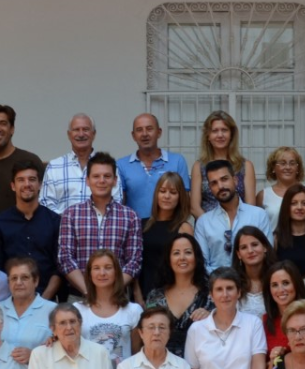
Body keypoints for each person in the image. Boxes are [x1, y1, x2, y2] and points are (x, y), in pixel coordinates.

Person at [75, 250, 143, 369]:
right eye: (96, 268)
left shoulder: (133, 310)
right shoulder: (77, 310)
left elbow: (137, 353)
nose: (102, 273)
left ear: (116, 273)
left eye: (107, 268)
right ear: (89, 274)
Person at [57, 153, 143, 298]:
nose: (101, 181)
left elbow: (134, 261)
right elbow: (65, 258)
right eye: (96, 176)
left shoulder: (130, 216)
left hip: (117, 296)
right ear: (87, 181)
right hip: (80, 295)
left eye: (107, 176)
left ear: (115, 180)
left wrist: (112, 291)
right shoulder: (71, 214)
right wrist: (87, 291)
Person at [0, 160, 63, 300]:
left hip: (48, 299)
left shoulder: (55, 221)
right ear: (13, 186)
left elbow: (59, 267)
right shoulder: (0, 223)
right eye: (21, 180)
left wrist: (44, 300)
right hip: (9, 300)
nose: (27, 184)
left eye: (32, 179)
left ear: (40, 184)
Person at [194, 160, 273, 272]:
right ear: (210, 188)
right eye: (214, 183)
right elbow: (201, 264)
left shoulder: (258, 215)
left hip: (252, 285)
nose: (220, 186)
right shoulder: (203, 222)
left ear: (235, 180)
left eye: (224, 179)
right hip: (217, 286)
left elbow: (268, 255)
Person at [39, 113, 124, 214]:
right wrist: (68, 221)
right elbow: (45, 202)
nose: (81, 134)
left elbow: (117, 200)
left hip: (101, 228)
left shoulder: (108, 165)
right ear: (69, 134)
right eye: (76, 130)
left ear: (94, 134)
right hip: (62, 227)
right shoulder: (54, 167)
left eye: (86, 129)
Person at [145, 233, 213, 358]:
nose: (182, 257)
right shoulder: (155, 296)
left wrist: (212, 318)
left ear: (196, 257)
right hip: (162, 368)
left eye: (188, 252)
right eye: (176, 253)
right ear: (169, 259)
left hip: (202, 368)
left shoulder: (211, 294)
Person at [118, 113, 192, 220]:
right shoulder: (121, 165)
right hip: (135, 230)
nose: (144, 134)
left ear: (159, 132)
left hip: (169, 229)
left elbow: (184, 201)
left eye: (149, 129)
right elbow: (120, 203)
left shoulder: (177, 161)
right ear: (133, 136)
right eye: (139, 130)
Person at [138, 171, 194, 301]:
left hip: (172, 295)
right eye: (162, 191)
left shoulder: (184, 228)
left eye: (173, 192)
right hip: (144, 293)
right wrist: (138, 296)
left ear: (180, 197)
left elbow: (188, 267)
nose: (167, 196)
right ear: (156, 194)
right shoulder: (141, 224)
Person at [190, 111, 257, 218]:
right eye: (215, 131)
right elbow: (194, 207)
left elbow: (250, 205)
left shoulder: (245, 166)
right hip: (208, 229)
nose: (220, 135)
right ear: (208, 136)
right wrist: (211, 226)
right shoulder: (199, 166)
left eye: (224, 130)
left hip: (240, 229)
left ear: (231, 134)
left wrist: (237, 228)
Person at [256, 146, 305, 236]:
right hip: (273, 247)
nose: (288, 167)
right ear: (273, 168)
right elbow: (257, 228)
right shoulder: (263, 195)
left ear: (298, 168)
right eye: (282, 163)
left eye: (292, 163)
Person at [0, 258, 57, 361]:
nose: (18, 282)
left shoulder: (53, 311)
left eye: (24, 278)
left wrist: (34, 356)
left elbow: (62, 350)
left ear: (36, 281)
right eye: (14, 278)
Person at [263, 261, 305, 359]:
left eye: (285, 283)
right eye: (274, 285)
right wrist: (274, 360)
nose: (281, 290)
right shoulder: (264, 321)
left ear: (296, 284)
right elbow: (260, 366)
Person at [272, 183, 305, 277]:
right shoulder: (276, 239)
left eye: (304, 203)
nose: (299, 207)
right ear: (286, 207)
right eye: (293, 203)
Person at [231, 226, 277, 318]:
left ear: (265, 247)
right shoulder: (232, 283)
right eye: (244, 247)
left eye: (255, 245)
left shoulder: (277, 278)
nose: (250, 251)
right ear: (239, 254)